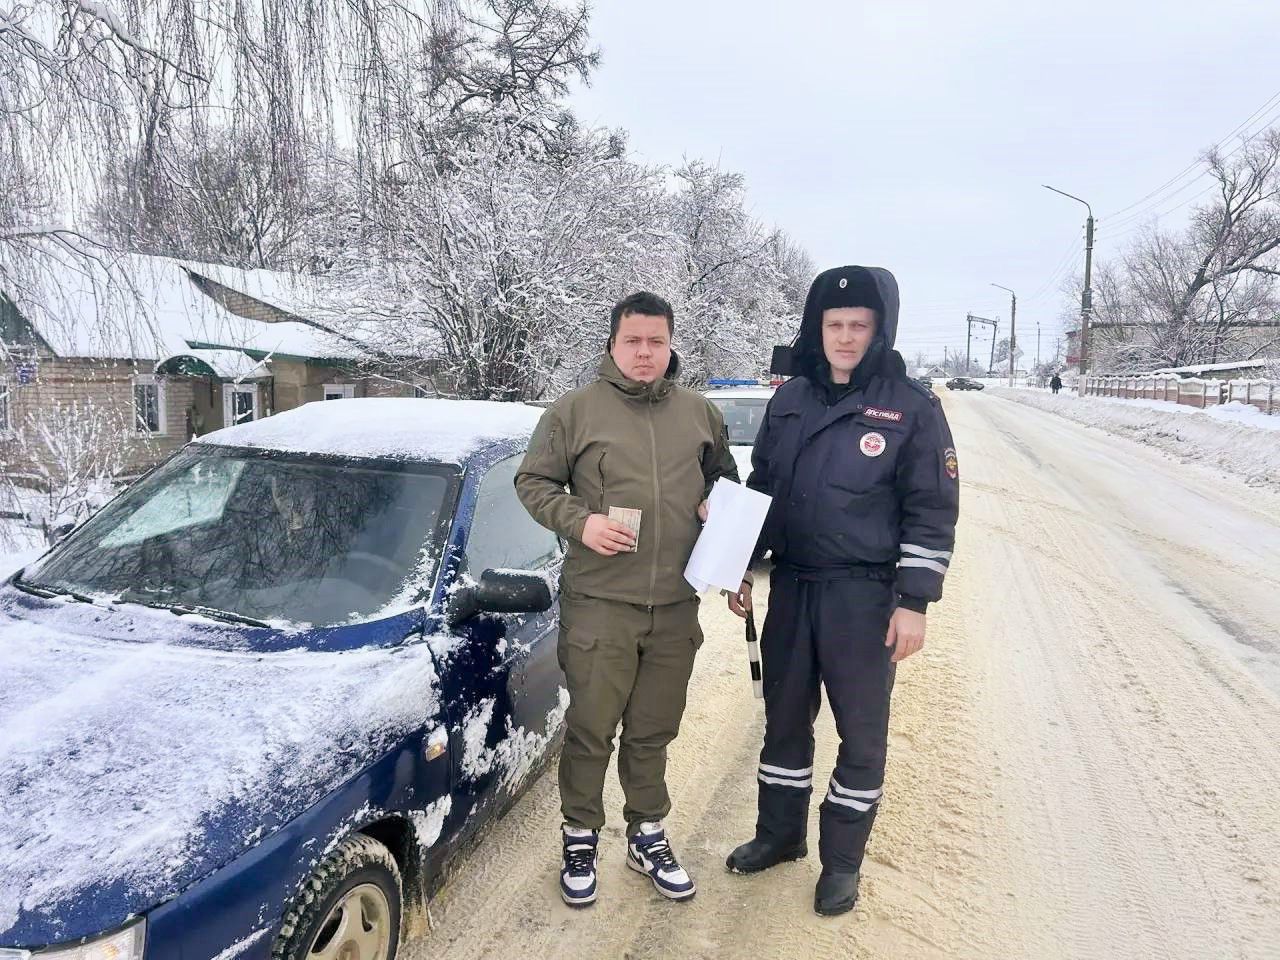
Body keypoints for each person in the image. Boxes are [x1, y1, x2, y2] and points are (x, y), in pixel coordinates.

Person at [724, 265, 959, 916]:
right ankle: (779, 835)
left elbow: (932, 509)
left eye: (859, 325)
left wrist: (914, 602)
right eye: (835, 324)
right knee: (783, 721)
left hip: (865, 597)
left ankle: (842, 863)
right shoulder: (790, 399)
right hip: (794, 588)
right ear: (817, 328)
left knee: (861, 734)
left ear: (879, 330)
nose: (846, 337)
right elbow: (763, 489)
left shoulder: (911, 407)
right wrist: (741, 564)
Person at [515, 291, 738, 908]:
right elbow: (532, 482)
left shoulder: (700, 413)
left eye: (656, 341)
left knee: (652, 730)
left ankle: (647, 834)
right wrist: (580, 521)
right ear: (612, 344)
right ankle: (580, 835)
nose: (645, 353)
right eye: (633, 341)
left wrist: (717, 509)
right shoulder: (574, 412)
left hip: (675, 604)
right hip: (600, 603)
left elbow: (725, 481)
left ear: (671, 346)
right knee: (591, 729)